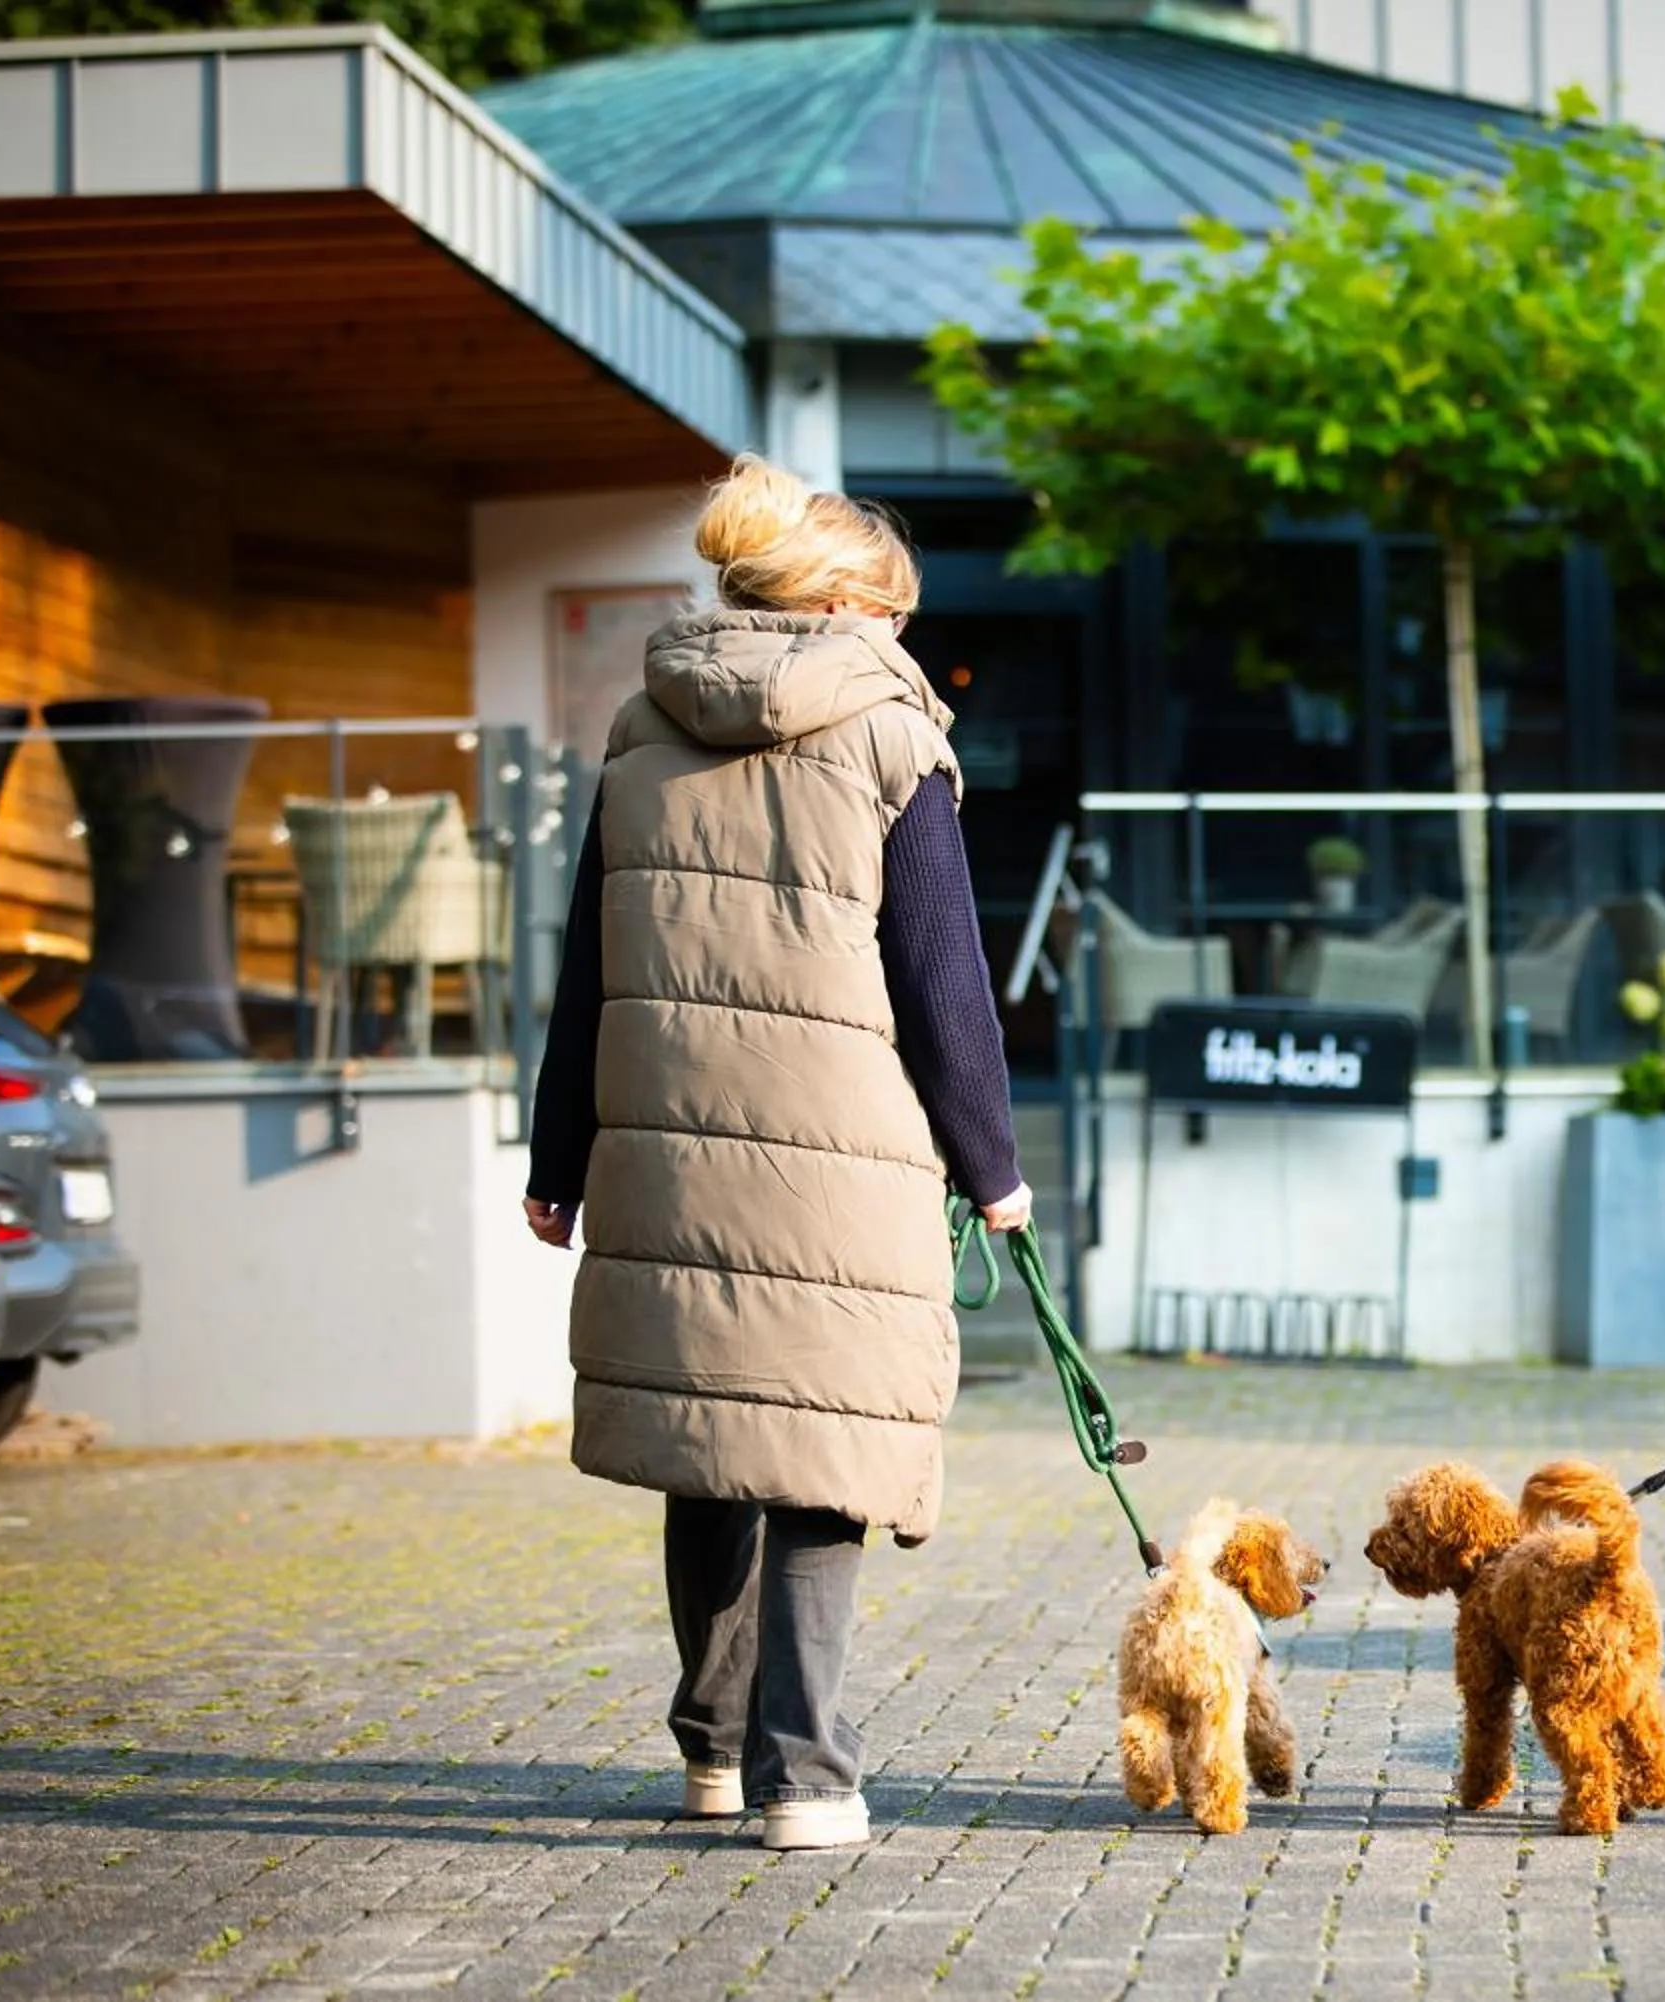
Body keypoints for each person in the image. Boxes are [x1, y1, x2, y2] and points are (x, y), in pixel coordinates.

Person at [522, 454, 1030, 1852]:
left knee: (712, 1439)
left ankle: (711, 1753)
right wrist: (992, 1164)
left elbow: (590, 965)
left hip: (669, 1149)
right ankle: (807, 1777)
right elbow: (943, 981)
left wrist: (558, 1157)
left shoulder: (641, 723)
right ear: (845, 607)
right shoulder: (889, 731)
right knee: (823, 1450)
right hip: (839, 1158)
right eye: (897, 612)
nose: (906, 636)